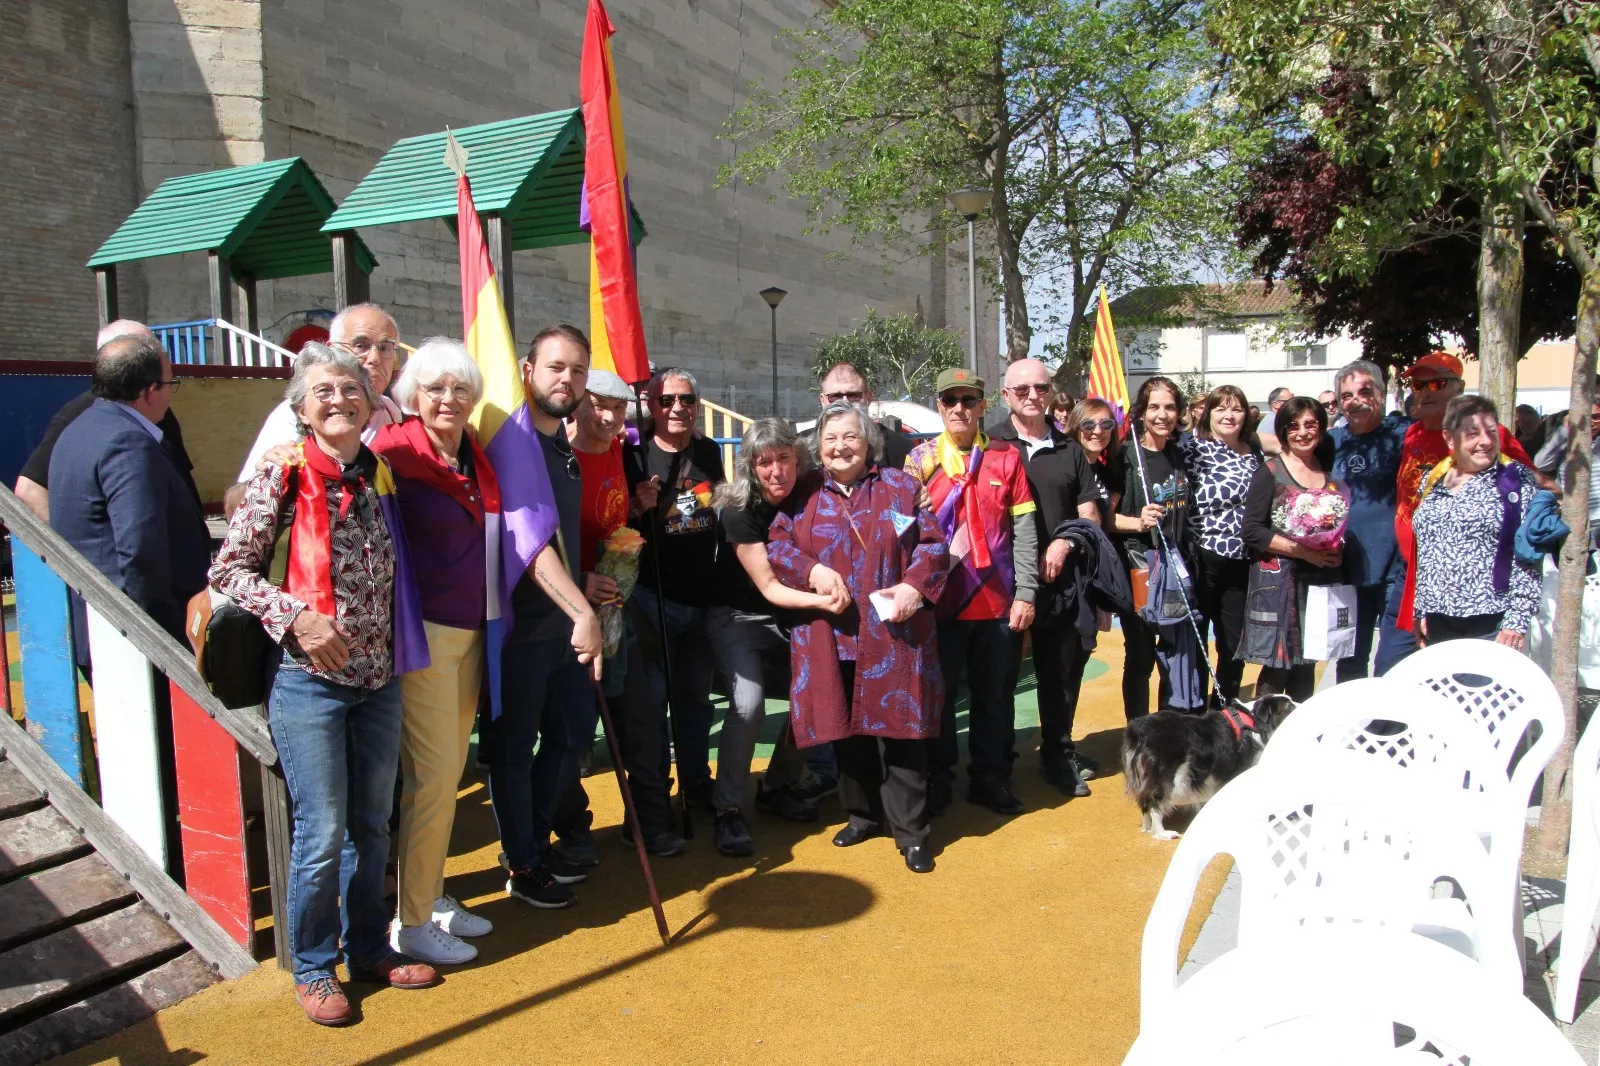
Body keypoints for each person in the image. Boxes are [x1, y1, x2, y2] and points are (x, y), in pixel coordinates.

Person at [209, 343, 438, 1026]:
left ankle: (369, 946)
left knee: (373, 823)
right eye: (323, 392)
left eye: (352, 389)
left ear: (371, 403)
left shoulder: (378, 474)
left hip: (378, 678)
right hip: (309, 679)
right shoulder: (282, 472)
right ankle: (313, 964)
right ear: (301, 409)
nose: (339, 399)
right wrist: (298, 617)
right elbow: (229, 570)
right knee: (323, 828)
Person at [768, 402, 948, 873]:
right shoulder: (803, 495)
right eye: (830, 439)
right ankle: (863, 814)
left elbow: (930, 544)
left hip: (893, 634)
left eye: (850, 436)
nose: (840, 446)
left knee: (902, 734)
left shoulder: (901, 489)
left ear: (869, 442)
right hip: (831, 633)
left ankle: (911, 833)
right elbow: (777, 545)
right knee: (846, 729)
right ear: (819, 448)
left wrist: (913, 586)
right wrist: (812, 570)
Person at [367, 338, 496, 967]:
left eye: (460, 389)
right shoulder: (392, 451)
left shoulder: (473, 453)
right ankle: (412, 922)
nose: (449, 399)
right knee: (433, 779)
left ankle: (432, 896)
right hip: (424, 635)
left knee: (446, 777)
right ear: (412, 396)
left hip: (473, 630)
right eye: (435, 388)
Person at [490, 325, 605, 908]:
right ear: (527, 368)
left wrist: (582, 584)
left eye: (578, 370)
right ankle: (522, 861)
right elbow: (527, 546)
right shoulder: (512, 444)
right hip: (517, 629)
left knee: (573, 734)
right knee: (512, 748)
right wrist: (582, 607)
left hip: (562, 623)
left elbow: (555, 542)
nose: (568, 379)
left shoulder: (563, 449)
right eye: (557, 367)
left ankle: (530, 843)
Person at [707, 419, 847, 853]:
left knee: (817, 688)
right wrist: (826, 601)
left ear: (797, 458)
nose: (776, 472)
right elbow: (769, 587)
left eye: (784, 459)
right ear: (751, 467)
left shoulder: (811, 495)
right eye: (764, 462)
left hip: (788, 618)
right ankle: (727, 808)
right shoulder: (738, 510)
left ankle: (778, 785)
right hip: (738, 616)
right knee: (748, 706)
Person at [906, 368, 1037, 816]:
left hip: (997, 603)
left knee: (995, 697)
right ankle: (938, 778)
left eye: (969, 400)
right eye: (950, 400)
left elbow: (1024, 532)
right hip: (938, 603)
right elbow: (902, 531)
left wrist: (1027, 593)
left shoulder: (1006, 457)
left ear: (984, 406)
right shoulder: (919, 459)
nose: (959, 408)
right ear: (939, 406)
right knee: (938, 698)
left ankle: (990, 777)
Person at [48, 333, 209, 643]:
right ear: (150, 391)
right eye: (170, 384)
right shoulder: (129, 443)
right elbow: (140, 550)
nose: (171, 394)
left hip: (95, 623)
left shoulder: (76, 430)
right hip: (132, 635)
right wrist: (165, 633)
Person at [986, 358, 1100, 796]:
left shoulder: (1070, 449)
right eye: (1023, 390)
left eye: (1041, 387)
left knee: (1060, 676)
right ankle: (997, 765)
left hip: (1061, 585)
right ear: (1006, 395)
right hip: (1001, 586)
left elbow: (1088, 513)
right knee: (999, 681)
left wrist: (1065, 541)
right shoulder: (990, 444)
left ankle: (1057, 753)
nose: (1033, 396)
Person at [625, 367, 726, 816]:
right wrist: (634, 507)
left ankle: (696, 784)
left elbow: (720, 508)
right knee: (651, 707)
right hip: (651, 600)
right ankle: (648, 804)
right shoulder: (634, 455)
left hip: (701, 599)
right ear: (651, 406)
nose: (677, 408)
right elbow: (612, 528)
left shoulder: (707, 451)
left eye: (686, 399)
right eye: (667, 401)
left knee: (695, 704)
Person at [551, 366, 637, 868]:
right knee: (572, 730)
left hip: (611, 604)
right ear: (578, 402)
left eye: (619, 407)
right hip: (563, 607)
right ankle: (572, 828)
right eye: (599, 404)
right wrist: (579, 578)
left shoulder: (619, 450)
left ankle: (638, 817)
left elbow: (615, 522)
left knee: (624, 713)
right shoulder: (559, 457)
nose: (609, 416)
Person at [1393, 352, 1531, 639]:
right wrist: (1422, 607)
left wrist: (1516, 619)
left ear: (1458, 386)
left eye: (1436, 383)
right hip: (1424, 592)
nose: (1425, 392)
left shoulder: (1491, 436)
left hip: (1486, 610)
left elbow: (1526, 538)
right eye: (1418, 386)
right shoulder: (1412, 436)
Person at [15, 320, 202, 524]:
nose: (153, 358)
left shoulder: (158, 411)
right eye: (141, 349)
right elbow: (29, 489)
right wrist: (71, 551)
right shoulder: (78, 415)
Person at [227, 303, 406, 513]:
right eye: (361, 345)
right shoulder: (301, 412)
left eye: (385, 347)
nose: (374, 359)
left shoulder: (389, 411)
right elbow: (235, 508)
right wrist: (265, 480)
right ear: (333, 349)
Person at [1239, 396, 1346, 701]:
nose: (1303, 432)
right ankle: (1264, 739)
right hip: (1279, 584)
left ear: (1321, 428)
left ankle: (1299, 735)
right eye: (1294, 426)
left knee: (1306, 666)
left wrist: (1334, 543)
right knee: (1277, 667)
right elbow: (1252, 531)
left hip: (1316, 582)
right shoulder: (1270, 471)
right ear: (1283, 431)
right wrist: (1304, 552)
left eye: (1310, 424)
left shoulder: (1328, 475)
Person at [1412, 396, 1541, 645]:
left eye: (1492, 432)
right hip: (1438, 618)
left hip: (1491, 619)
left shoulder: (1516, 479)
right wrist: (1421, 610)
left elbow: (1529, 554)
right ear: (1450, 438)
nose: (1485, 441)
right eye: (1473, 434)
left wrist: (1517, 620)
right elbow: (1425, 553)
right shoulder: (1432, 479)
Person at [1112, 376, 1193, 718]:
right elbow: (1103, 517)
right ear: (1142, 413)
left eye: (1170, 407)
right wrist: (1137, 521)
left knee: (1174, 653)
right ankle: (1140, 732)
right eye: (1154, 407)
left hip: (1179, 566)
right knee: (1142, 656)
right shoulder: (1125, 456)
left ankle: (1168, 728)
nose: (1163, 415)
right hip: (1139, 566)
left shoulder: (1183, 454)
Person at [1328, 359, 1413, 680]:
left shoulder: (1404, 435)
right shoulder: (1330, 442)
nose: (1356, 400)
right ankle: (1351, 728)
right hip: (1347, 573)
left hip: (1398, 574)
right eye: (1347, 395)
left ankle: (1391, 727)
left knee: (1395, 665)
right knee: (1349, 663)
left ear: (1381, 393)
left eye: (1365, 391)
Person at [1177, 385, 1261, 707]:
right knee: (1197, 644)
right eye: (1221, 409)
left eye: (1236, 409)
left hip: (1242, 561)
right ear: (1207, 413)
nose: (1229, 415)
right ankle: (1194, 715)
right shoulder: (1193, 448)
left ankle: (1223, 712)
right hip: (1202, 559)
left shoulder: (1252, 450)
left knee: (1233, 645)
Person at [817, 361, 913, 469]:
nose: (845, 402)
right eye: (835, 397)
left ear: (868, 398)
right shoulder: (803, 449)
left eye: (853, 396)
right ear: (823, 400)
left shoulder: (899, 448)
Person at [1257, 386, 1294, 456]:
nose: (1293, 405)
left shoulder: (1275, 420)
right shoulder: (1273, 421)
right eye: (1289, 401)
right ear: (1275, 404)